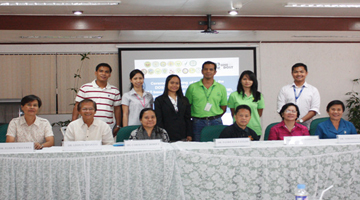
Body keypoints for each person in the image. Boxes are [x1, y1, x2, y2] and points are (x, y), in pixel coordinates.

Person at [72, 63, 121, 137]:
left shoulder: (114, 90)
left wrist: (117, 125)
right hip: (87, 126)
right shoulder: (85, 88)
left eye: (106, 72)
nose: (103, 74)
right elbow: (77, 106)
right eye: (101, 71)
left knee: (106, 147)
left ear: (110, 75)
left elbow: (117, 109)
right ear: (96, 73)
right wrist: (73, 123)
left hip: (107, 126)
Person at [185, 61, 227, 141]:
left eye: (211, 69)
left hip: (216, 121)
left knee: (217, 145)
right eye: (206, 69)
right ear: (202, 71)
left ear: (215, 72)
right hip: (197, 122)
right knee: (197, 147)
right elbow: (187, 106)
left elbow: (223, 107)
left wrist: (214, 116)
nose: (208, 71)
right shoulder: (192, 87)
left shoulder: (221, 88)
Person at [277, 63, 320, 129]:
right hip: (287, 126)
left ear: (306, 73)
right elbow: (281, 108)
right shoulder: (284, 89)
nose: (299, 74)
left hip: (306, 126)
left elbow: (314, 109)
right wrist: (291, 121)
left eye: (301, 72)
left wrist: (300, 121)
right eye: (296, 72)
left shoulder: (313, 90)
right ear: (292, 74)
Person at [155, 75, 192, 141]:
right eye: (172, 83)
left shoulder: (184, 99)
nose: (174, 85)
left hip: (182, 134)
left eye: (177, 83)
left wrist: (189, 134)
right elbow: (159, 119)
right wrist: (162, 134)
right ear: (167, 84)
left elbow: (187, 118)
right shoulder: (159, 100)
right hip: (167, 133)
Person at [228, 70, 264, 136]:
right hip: (238, 129)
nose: (247, 81)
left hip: (254, 128)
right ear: (240, 81)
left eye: (250, 79)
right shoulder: (233, 95)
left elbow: (259, 113)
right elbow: (233, 112)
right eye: (244, 79)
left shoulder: (259, 95)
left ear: (254, 81)